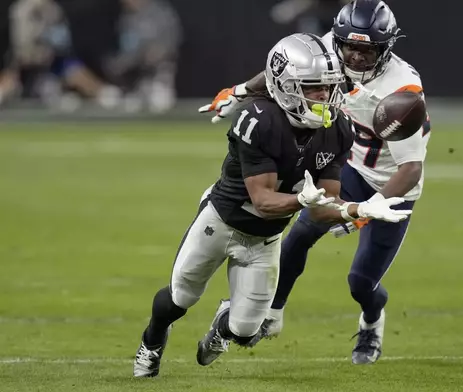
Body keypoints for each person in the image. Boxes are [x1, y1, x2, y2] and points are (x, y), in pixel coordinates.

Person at [133, 32, 412, 378]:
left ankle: (222, 327)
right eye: (312, 88)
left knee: (246, 331)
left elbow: (323, 207)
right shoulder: (257, 119)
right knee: (180, 298)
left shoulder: (338, 128)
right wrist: (300, 200)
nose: (323, 96)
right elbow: (263, 201)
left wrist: (360, 210)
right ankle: (153, 340)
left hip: (264, 241)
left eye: (327, 87)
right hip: (221, 222)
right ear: (285, 86)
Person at [200, 0, 431, 365]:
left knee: (361, 282)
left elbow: (410, 169)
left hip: (392, 184)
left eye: (366, 49)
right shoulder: (329, 51)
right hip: (351, 168)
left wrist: (368, 212)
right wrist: (242, 91)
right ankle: (270, 315)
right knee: (300, 235)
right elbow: (284, 71)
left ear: (385, 48)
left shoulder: (402, 90)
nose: (354, 57)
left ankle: (372, 320)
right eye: (350, 46)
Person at [0, 0, 121, 110]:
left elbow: (61, 37)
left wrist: (51, 49)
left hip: (50, 60)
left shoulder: (52, 8)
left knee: (70, 67)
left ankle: (102, 93)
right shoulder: (24, 10)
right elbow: (22, 45)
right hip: (26, 60)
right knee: (12, 77)